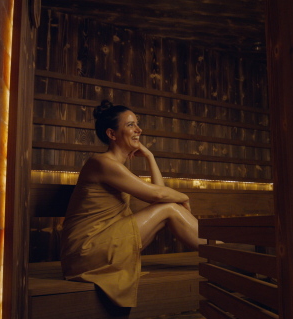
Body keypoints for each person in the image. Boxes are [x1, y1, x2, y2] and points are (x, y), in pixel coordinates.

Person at [60, 100, 202, 307]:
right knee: (169, 208)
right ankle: (224, 252)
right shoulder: (102, 163)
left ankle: (223, 251)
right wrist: (184, 197)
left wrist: (150, 157)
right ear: (112, 134)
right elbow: (159, 197)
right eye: (130, 125)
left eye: (137, 124)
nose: (139, 129)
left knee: (168, 207)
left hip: (100, 244)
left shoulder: (116, 166)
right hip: (86, 250)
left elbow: (160, 194)